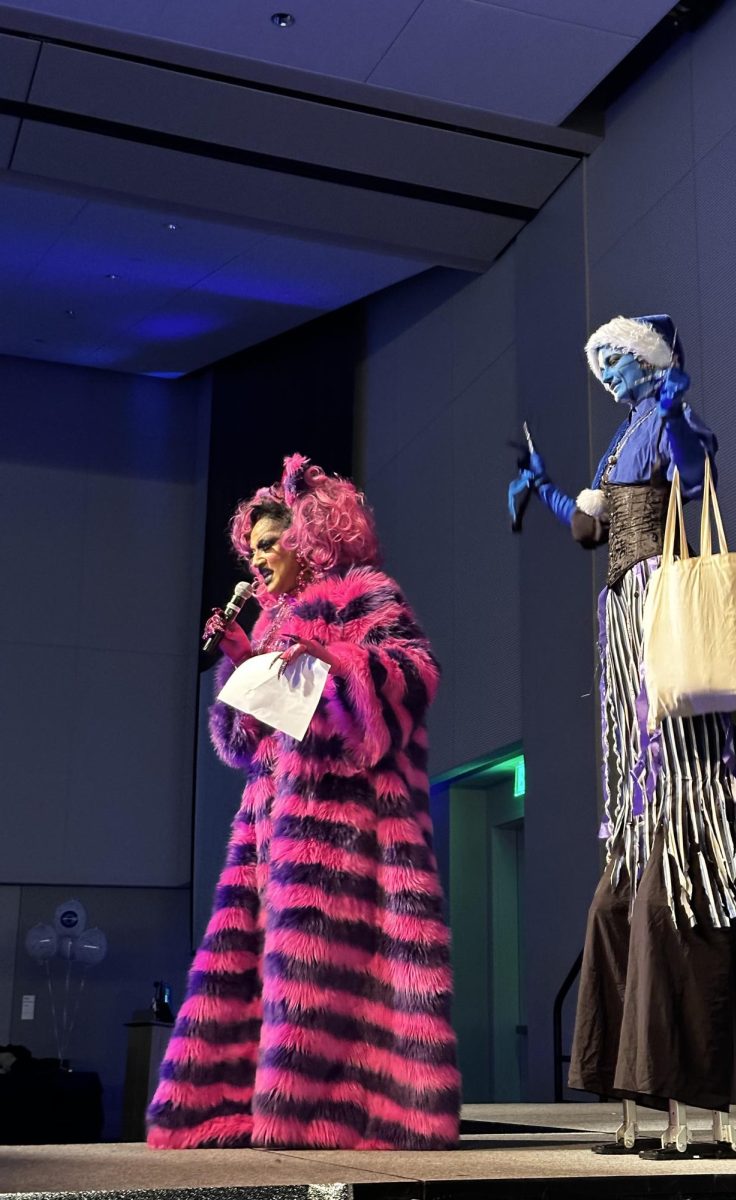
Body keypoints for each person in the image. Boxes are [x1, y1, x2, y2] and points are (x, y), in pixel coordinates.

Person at [147, 453, 460, 1150]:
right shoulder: (268, 621)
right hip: (267, 834)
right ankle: (247, 1110)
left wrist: (334, 656)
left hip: (342, 832)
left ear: (308, 539)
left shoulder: (361, 594)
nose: (255, 560)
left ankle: (341, 1117)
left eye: (268, 545)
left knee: (323, 978)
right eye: (251, 548)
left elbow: (413, 676)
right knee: (261, 976)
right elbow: (238, 743)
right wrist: (237, 655)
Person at [511, 315, 736, 1154]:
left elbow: (693, 482)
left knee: (668, 895)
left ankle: (699, 1108)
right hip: (626, 654)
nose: (609, 370)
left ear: (650, 358)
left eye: (620, 356)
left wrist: (684, 421)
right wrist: (544, 488)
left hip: (669, 641)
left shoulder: (663, 421)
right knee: (615, 904)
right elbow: (593, 530)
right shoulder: (624, 435)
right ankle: (631, 1102)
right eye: (602, 363)